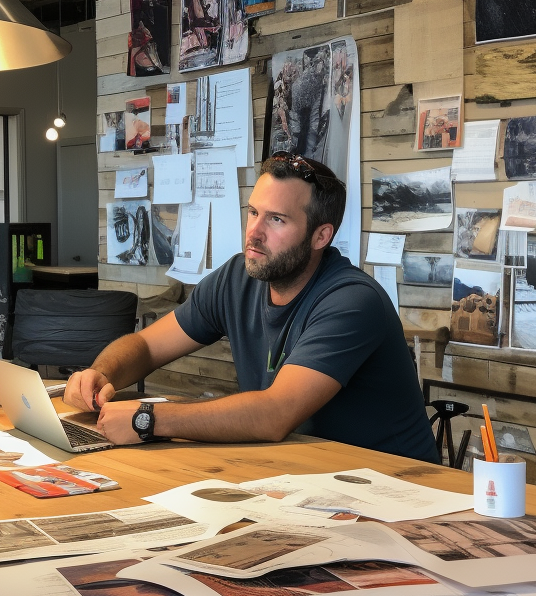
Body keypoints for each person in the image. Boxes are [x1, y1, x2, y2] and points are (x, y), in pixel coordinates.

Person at [65, 154, 439, 462]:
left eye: (276, 219)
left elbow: (274, 414)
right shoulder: (237, 278)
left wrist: (149, 418)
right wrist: (100, 373)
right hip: (300, 476)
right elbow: (146, 346)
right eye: (253, 212)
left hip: (392, 492)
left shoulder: (353, 300)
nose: (254, 233)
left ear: (321, 235)